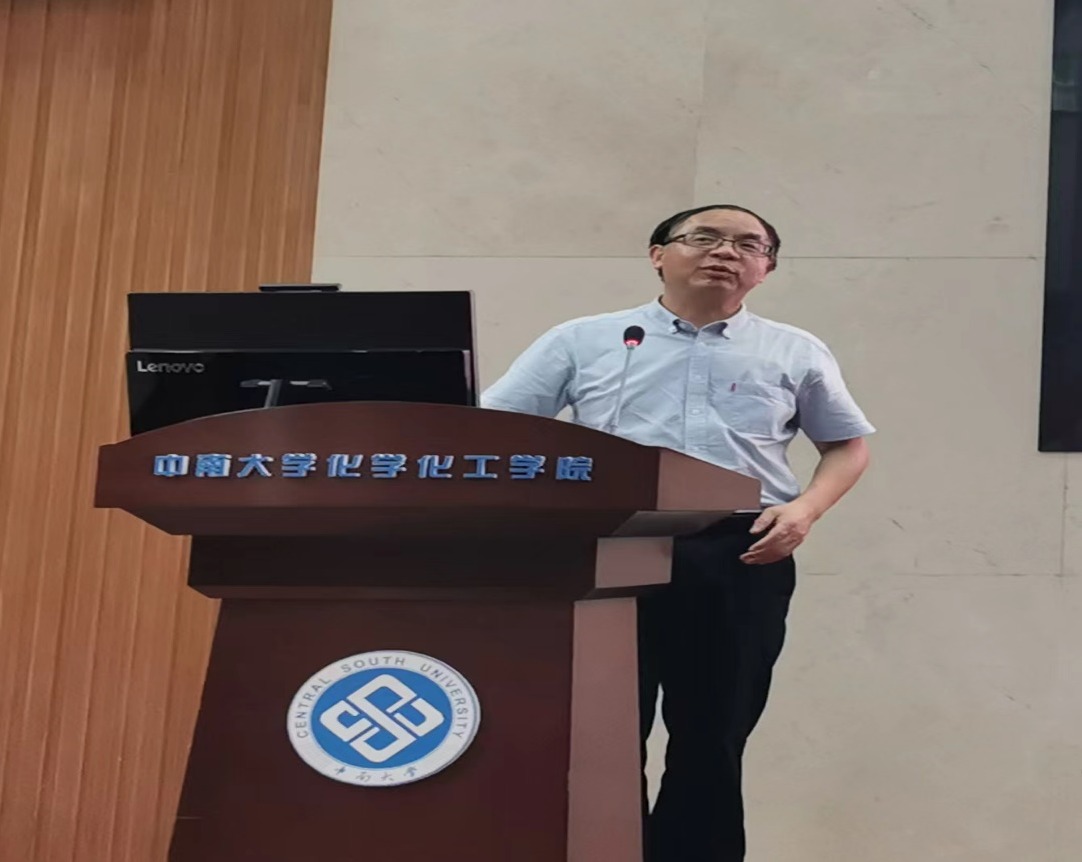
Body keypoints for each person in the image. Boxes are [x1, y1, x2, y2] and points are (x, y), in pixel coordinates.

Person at [481, 204, 874, 861]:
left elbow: (847, 446)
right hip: (606, 548)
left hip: (741, 552)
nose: (725, 252)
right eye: (704, 238)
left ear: (766, 269)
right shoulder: (584, 340)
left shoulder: (794, 350)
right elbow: (497, 429)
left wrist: (805, 510)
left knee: (714, 735)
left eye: (748, 245)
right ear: (658, 255)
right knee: (601, 733)